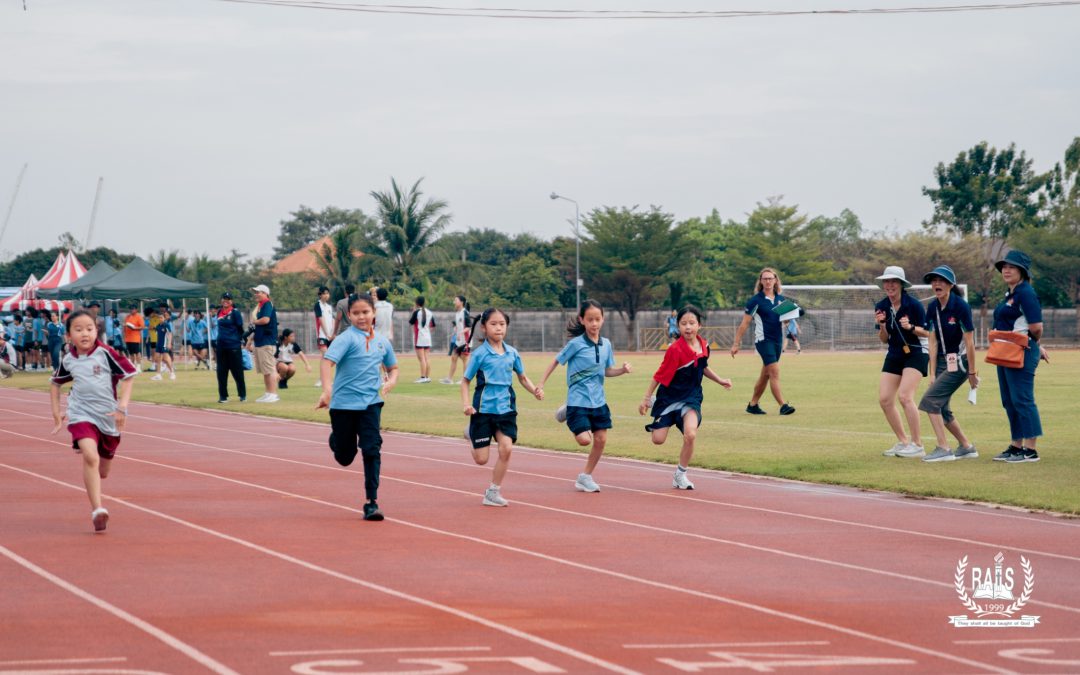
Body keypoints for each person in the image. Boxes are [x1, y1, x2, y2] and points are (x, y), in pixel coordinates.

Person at [49, 309, 137, 532]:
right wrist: (56, 413)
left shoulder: (105, 353)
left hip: (107, 417)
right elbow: (55, 383)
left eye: (89, 328)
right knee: (90, 456)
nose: (85, 334)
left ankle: (93, 477)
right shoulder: (69, 359)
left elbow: (128, 376)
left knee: (102, 471)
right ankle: (97, 509)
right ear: (69, 335)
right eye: (78, 330)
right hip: (80, 413)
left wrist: (122, 408)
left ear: (96, 330)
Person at [317, 292, 399, 521]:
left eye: (365, 312)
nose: (361, 317)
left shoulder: (382, 342)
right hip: (343, 405)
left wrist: (391, 380)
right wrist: (327, 390)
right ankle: (337, 439)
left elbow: (393, 367)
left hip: (371, 404)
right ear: (348, 315)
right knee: (345, 457)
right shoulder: (345, 339)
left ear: (374, 313)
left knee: (372, 449)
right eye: (356, 313)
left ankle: (371, 502)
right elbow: (327, 362)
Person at [537, 300, 631, 493]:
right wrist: (541, 383)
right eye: (590, 320)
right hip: (578, 399)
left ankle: (585, 476)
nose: (594, 323)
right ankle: (567, 411)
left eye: (597, 319)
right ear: (582, 320)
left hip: (598, 401)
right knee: (584, 440)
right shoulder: (576, 344)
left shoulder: (606, 345)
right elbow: (556, 361)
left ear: (603, 320)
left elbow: (606, 371)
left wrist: (622, 370)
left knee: (601, 440)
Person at [639, 306, 732, 490]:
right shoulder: (675, 350)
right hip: (668, 399)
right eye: (683, 324)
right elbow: (659, 376)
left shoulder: (704, 346)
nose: (688, 327)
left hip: (691, 398)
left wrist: (720, 380)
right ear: (677, 326)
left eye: (692, 323)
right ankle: (659, 408)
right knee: (658, 439)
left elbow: (703, 367)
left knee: (690, 434)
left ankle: (680, 474)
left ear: (699, 325)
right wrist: (646, 398)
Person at [461, 308, 543, 507]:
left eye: (502, 324)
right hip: (483, 411)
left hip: (506, 409)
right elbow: (465, 381)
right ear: (484, 327)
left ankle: (493, 492)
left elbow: (522, 377)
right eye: (493, 324)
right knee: (481, 459)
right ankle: (471, 434)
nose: (498, 328)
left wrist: (534, 390)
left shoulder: (512, 353)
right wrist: (466, 404)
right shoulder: (480, 354)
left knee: (506, 448)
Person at [917, 265, 979, 463]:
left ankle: (943, 448)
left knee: (929, 401)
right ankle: (967, 447)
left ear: (951, 284)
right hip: (943, 361)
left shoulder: (960, 306)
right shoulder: (933, 307)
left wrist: (972, 372)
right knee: (942, 408)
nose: (937, 284)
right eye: (934, 280)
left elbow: (970, 342)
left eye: (942, 280)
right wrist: (932, 373)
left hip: (960, 360)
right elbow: (932, 341)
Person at [991, 250, 1046, 464]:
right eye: (1004, 266)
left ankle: (1030, 450)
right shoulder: (1010, 294)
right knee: (1009, 401)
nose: (1006, 269)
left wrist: (1033, 345)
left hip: (1020, 352)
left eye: (1011, 267)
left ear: (1022, 271)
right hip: (1004, 352)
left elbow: (1036, 327)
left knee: (1022, 399)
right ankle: (1016, 445)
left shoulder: (1026, 292)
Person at [874, 265, 930, 458]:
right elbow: (883, 339)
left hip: (916, 351)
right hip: (895, 352)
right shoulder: (881, 306)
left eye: (893, 281)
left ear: (901, 284)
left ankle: (917, 444)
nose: (889, 285)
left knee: (905, 397)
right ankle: (903, 441)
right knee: (885, 399)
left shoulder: (913, 305)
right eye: (886, 282)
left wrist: (911, 327)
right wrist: (882, 325)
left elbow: (927, 333)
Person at [731, 267, 795, 415]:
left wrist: (789, 317)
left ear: (775, 280)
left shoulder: (780, 299)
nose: (768, 281)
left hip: (777, 340)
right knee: (774, 372)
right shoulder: (755, 301)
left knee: (766, 374)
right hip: (763, 341)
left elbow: (785, 320)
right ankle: (783, 405)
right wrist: (736, 343)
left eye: (770, 278)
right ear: (761, 281)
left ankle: (753, 405)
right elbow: (745, 323)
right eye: (765, 278)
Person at [215, 292, 247, 403]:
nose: (225, 301)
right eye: (224, 299)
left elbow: (240, 329)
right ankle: (223, 396)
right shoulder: (219, 312)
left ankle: (242, 395)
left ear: (231, 301)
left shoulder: (235, 313)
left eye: (228, 299)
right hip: (221, 346)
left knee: (237, 371)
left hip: (233, 346)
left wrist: (239, 341)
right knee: (221, 372)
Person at [251, 284, 279, 403]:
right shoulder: (260, 306)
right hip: (260, 341)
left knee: (269, 369)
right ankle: (268, 393)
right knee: (265, 370)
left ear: (265, 293)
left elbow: (266, 320)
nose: (256, 294)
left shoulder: (267, 304)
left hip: (267, 341)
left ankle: (273, 394)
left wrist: (254, 322)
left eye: (259, 292)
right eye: (256, 292)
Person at [441, 295, 470, 384]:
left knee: (465, 359)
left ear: (461, 302)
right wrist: (457, 331)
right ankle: (449, 379)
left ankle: (465, 379)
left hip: (465, 340)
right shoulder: (457, 313)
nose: (454, 302)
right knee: (454, 358)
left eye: (456, 300)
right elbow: (459, 326)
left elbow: (469, 326)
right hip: (458, 341)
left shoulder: (465, 312)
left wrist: (461, 333)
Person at [408, 295, 436, 383]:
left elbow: (411, 322)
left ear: (416, 303)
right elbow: (433, 325)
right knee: (427, 358)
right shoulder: (429, 312)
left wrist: (413, 311)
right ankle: (427, 377)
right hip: (427, 337)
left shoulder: (416, 312)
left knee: (421, 359)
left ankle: (423, 377)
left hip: (419, 337)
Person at [313, 285, 334, 388]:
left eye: (327, 293)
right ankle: (322, 379)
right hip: (322, 335)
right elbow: (321, 320)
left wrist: (333, 334)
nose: (326, 295)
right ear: (320, 295)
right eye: (324, 293)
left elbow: (332, 320)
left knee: (329, 358)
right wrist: (326, 334)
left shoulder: (329, 307)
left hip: (330, 336)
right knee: (325, 356)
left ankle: (325, 378)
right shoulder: (318, 305)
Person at [150, 304, 176, 381]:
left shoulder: (166, 325)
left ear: (164, 318)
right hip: (159, 344)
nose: (160, 319)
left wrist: (169, 343)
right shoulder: (158, 325)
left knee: (166, 359)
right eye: (159, 317)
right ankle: (158, 375)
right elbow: (156, 330)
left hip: (164, 345)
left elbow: (170, 334)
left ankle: (172, 373)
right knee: (158, 359)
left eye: (161, 317)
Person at [122, 304, 145, 371]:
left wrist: (135, 328)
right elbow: (125, 325)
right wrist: (124, 333)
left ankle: (138, 366)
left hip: (135, 338)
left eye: (133, 309)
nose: (131, 310)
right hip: (128, 338)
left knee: (137, 352)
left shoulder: (139, 317)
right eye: (130, 309)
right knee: (131, 353)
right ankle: (132, 366)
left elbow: (142, 327)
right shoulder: (127, 317)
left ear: (136, 309)